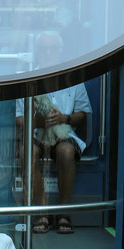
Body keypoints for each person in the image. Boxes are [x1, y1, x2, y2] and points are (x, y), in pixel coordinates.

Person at [16, 31, 91, 235]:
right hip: (36, 133)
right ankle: (42, 211)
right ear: (37, 52)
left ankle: (64, 212)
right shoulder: (27, 79)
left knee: (66, 151)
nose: (48, 53)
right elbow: (19, 118)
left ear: (60, 51)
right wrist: (39, 122)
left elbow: (83, 114)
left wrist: (64, 119)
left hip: (64, 133)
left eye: (52, 49)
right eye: (44, 49)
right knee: (27, 153)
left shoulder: (73, 78)